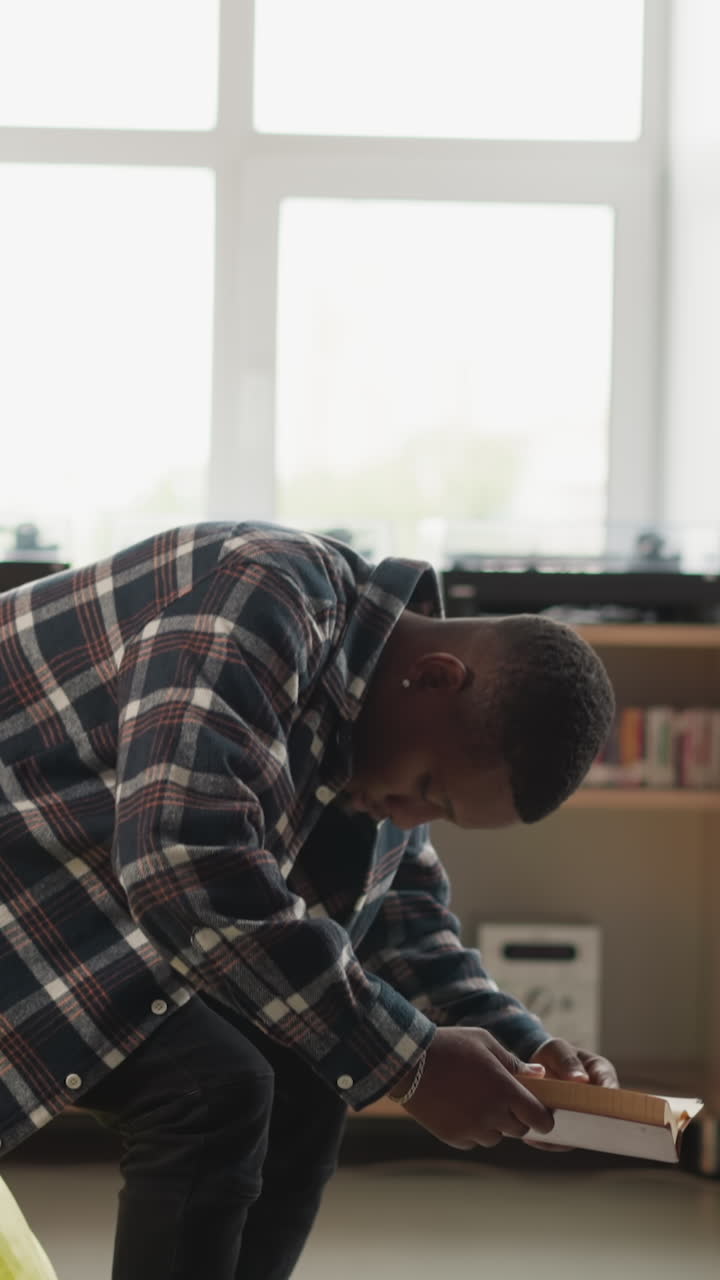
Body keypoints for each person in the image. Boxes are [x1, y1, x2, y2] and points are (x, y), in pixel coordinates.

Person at [0, 521, 617, 1280]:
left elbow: (400, 919)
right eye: (429, 790)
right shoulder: (267, 591)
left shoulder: (376, 732)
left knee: (313, 1067)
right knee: (212, 1086)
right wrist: (412, 1063)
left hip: (59, 893)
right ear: (433, 678)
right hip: (30, 882)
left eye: (440, 814)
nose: (410, 817)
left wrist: (520, 1051)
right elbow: (181, 861)